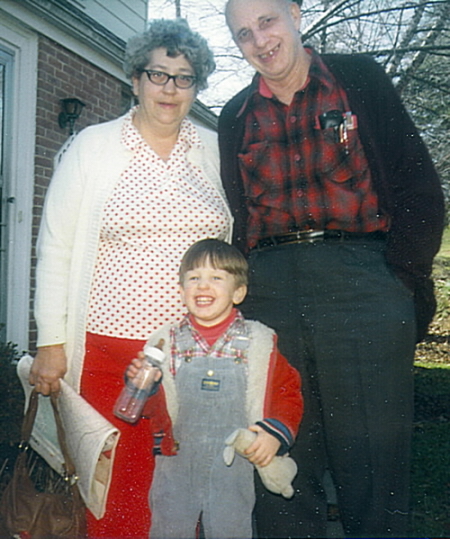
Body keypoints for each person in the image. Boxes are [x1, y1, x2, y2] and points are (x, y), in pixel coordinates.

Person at [218, 1, 445, 537]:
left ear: (295, 15)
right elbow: (239, 213)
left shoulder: (358, 81)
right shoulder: (234, 115)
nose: (259, 40)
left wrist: (398, 278)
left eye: (267, 21)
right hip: (271, 290)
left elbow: (419, 187)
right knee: (278, 455)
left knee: (374, 461)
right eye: (243, 33)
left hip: (362, 281)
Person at [29, 18, 232, 538]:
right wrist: (51, 342)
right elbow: (55, 247)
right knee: (114, 488)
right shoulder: (93, 148)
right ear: (135, 79)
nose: (169, 88)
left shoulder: (214, 151)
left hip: (194, 352)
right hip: (107, 350)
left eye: (183, 77)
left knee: (182, 487)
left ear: (197, 86)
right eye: (157, 75)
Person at [126, 238, 303, 539]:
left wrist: (273, 434)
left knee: (230, 529)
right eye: (194, 278)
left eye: (216, 278)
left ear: (238, 292)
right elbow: (152, 412)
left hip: (232, 463)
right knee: (168, 528)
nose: (203, 286)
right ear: (181, 291)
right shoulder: (163, 342)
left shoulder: (259, 342)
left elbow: (287, 392)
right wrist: (142, 386)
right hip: (177, 461)